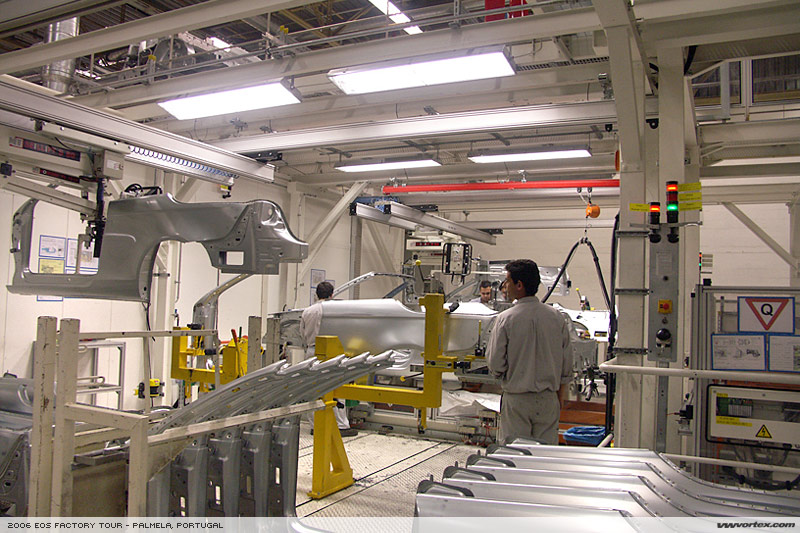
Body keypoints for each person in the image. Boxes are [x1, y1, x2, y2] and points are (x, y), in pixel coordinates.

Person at [486, 259, 573, 445]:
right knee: (545, 455)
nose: (505, 286)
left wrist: (504, 375)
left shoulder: (505, 319)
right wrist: (559, 395)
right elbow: (567, 364)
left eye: (507, 281)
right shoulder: (557, 318)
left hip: (517, 400)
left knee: (515, 453)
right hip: (548, 399)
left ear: (519, 285)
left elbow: (495, 363)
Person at [300, 281, 357, 437]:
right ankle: (341, 426)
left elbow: (302, 334)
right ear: (332, 295)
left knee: (314, 390)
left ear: (316, 294)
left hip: (312, 352)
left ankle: (316, 426)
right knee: (335, 388)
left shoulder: (307, 311)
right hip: (332, 353)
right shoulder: (336, 311)